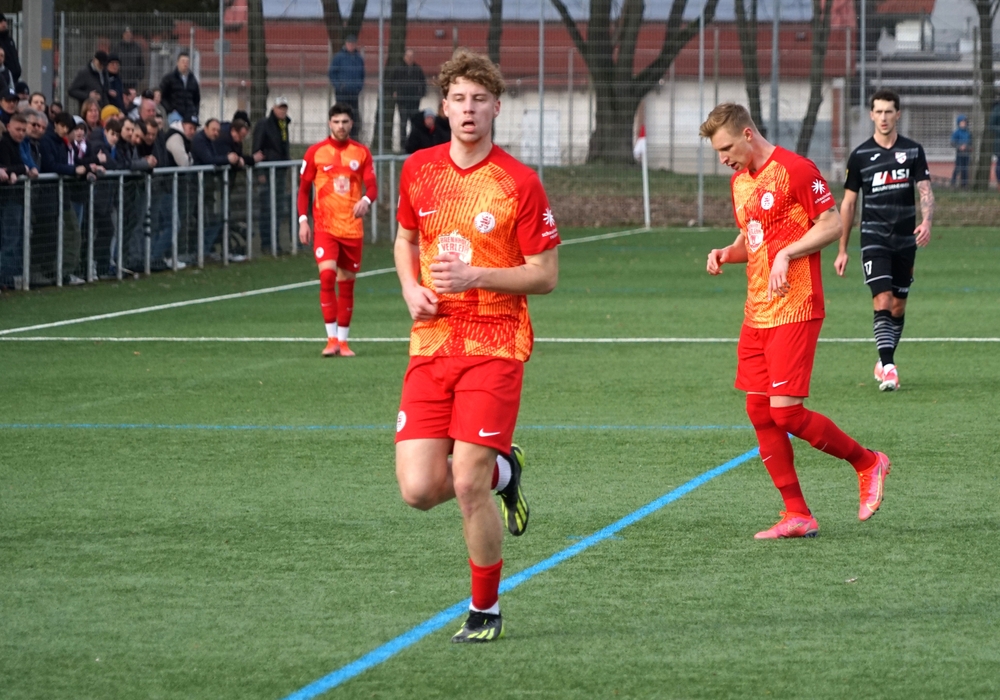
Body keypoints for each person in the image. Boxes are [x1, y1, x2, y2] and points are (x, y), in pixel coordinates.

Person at [392, 50, 560, 643]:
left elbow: (545, 274)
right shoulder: (419, 169)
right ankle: (504, 470)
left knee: (466, 481)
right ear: (444, 106)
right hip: (432, 342)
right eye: (459, 99)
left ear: (496, 108)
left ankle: (484, 610)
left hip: (495, 342)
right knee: (418, 490)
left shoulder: (519, 182)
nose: (469, 109)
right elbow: (405, 240)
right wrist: (410, 288)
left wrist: (476, 276)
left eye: (479, 100)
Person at [701, 102, 890, 540]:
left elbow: (831, 224)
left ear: (747, 134)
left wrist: (788, 253)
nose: (723, 158)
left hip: (796, 305)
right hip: (757, 311)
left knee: (785, 412)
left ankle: (868, 462)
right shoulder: (740, 183)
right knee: (758, 409)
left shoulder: (796, 169)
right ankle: (797, 514)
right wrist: (727, 253)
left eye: (726, 148)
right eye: (717, 152)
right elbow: (753, 239)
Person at [835, 88, 933, 392]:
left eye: (889, 111)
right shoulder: (860, 156)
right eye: (878, 111)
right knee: (883, 299)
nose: (883, 117)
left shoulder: (913, 151)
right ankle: (889, 368)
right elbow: (849, 203)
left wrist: (926, 221)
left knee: (898, 306)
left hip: (905, 239)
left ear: (897, 114)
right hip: (874, 238)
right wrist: (842, 248)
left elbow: (925, 190)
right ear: (871, 115)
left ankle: (883, 359)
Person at [297, 104, 376, 357]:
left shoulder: (361, 153)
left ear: (351, 124)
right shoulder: (315, 153)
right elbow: (303, 190)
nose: (341, 126)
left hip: (352, 229)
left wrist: (366, 200)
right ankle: (331, 339)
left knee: (347, 285)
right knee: (327, 277)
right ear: (329, 123)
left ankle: (343, 342)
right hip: (325, 227)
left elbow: (372, 186)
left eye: (345, 122)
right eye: (336, 122)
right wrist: (303, 220)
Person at [252, 96, 291, 253]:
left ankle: (275, 242)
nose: (282, 111)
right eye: (280, 107)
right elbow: (257, 147)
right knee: (267, 207)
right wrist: (260, 172)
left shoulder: (284, 125)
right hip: (268, 172)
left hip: (280, 172)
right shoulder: (264, 124)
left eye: (284, 108)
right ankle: (267, 243)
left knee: (278, 208)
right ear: (274, 108)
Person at [0, 111, 27, 288]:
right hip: (9, 199)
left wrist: (17, 170)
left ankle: (7, 278)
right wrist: (20, 169)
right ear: (8, 127)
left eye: (23, 130)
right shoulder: (5, 144)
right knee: (9, 239)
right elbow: (8, 168)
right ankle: (5, 278)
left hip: (13, 198)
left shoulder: (18, 144)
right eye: (18, 129)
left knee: (11, 238)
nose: (21, 133)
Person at [388, 48, 426, 149]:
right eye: (408, 56)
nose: (410, 58)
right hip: (402, 101)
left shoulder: (417, 69)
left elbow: (423, 83)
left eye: (411, 56)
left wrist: (420, 95)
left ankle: (413, 145)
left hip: (414, 101)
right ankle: (403, 145)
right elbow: (391, 82)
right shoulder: (399, 69)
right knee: (403, 124)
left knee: (414, 124)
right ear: (404, 57)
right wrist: (394, 93)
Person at [328, 35, 365, 139]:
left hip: (354, 93)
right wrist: (339, 86)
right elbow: (332, 73)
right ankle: (339, 135)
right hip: (342, 93)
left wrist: (358, 87)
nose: (351, 46)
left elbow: (362, 75)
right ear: (346, 44)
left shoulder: (358, 58)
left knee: (353, 114)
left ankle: (353, 137)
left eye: (353, 44)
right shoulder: (339, 57)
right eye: (349, 43)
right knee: (341, 113)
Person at [159, 52, 200, 124]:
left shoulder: (193, 80)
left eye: (187, 62)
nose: (185, 64)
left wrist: (195, 111)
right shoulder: (169, 78)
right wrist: (170, 109)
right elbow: (162, 95)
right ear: (177, 63)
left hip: (190, 114)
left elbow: (197, 98)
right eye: (183, 61)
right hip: (175, 114)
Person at [115, 27, 146, 92]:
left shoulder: (137, 47)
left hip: (133, 79)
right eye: (126, 34)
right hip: (120, 79)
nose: (128, 35)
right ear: (123, 35)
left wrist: (140, 76)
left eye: (129, 34)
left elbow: (141, 62)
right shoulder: (117, 47)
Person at [949, 114, 971, 189]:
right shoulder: (957, 132)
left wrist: (968, 147)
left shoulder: (968, 132)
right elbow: (952, 142)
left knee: (965, 169)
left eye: (965, 122)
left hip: (967, 153)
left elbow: (971, 142)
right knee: (958, 167)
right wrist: (959, 146)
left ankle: (964, 184)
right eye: (962, 122)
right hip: (959, 153)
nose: (964, 123)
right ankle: (953, 183)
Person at [0, 14, 20, 86]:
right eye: (1, 22)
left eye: (4, 21)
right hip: (4, 77)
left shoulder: (9, 40)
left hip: (14, 77)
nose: (3, 23)